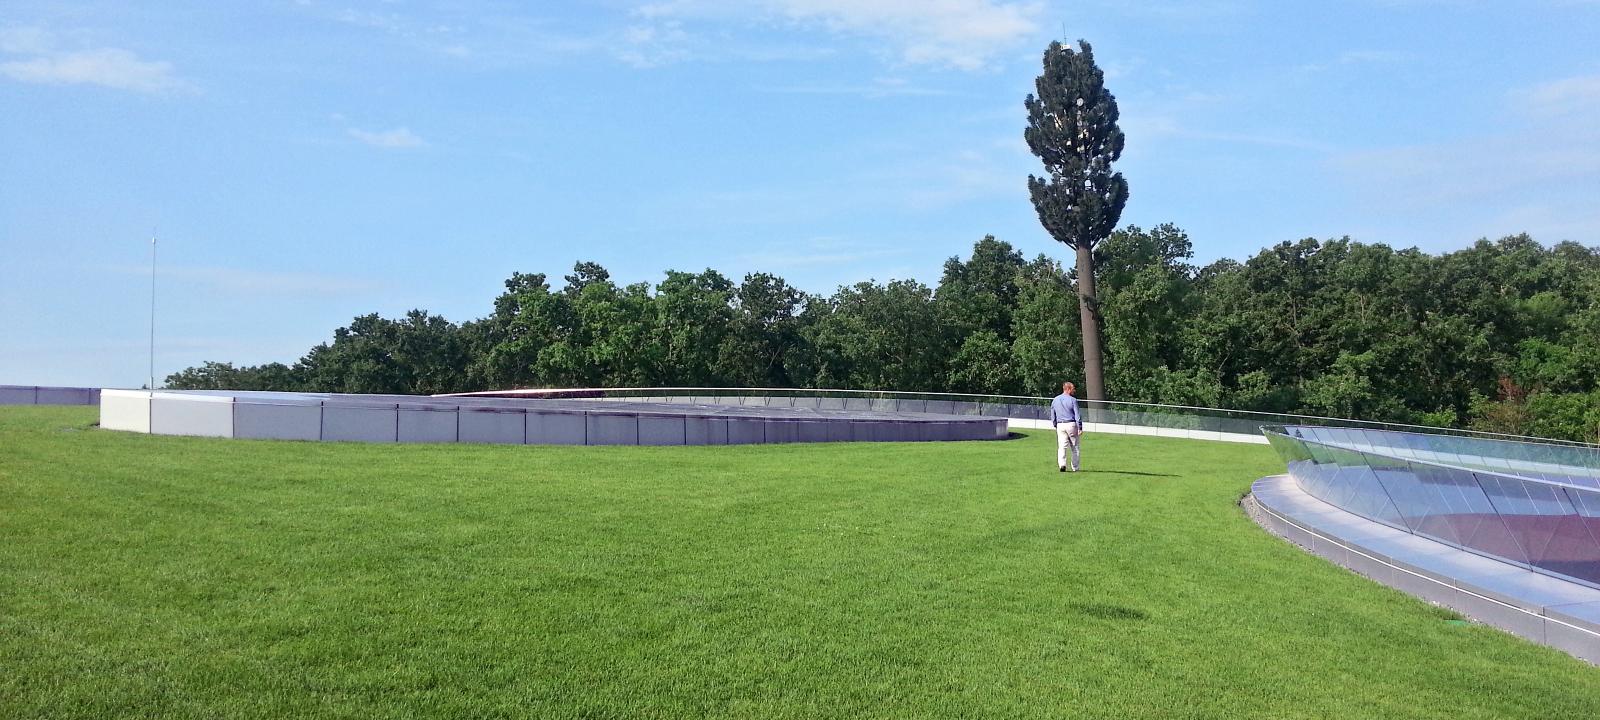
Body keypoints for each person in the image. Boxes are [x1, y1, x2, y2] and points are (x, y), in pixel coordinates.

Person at [1049, 381, 1084, 472]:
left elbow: (1053, 414)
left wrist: (1055, 424)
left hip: (1060, 424)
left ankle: (1062, 465)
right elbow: (1077, 415)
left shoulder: (1055, 400)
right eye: (1073, 389)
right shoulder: (1073, 400)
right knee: (1075, 447)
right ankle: (1075, 467)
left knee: (1062, 447)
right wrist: (1079, 427)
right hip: (1071, 424)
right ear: (1068, 389)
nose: (1074, 391)